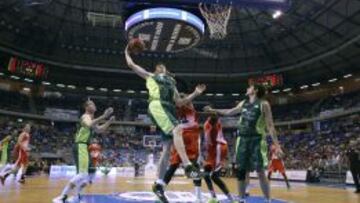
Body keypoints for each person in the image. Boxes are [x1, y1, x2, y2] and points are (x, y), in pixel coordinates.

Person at [125, 45, 206, 201]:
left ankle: (159, 185)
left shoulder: (171, 82)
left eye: (163, 66)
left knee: (167, 149)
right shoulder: (151, 76)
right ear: (156, 70)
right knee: (177, 129)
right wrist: (126, 52)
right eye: (159, 66)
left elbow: (181, 102)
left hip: (169, 108)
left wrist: (195, 93)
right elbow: (131, 65)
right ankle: (188, 165)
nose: (161, 67)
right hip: (157, 105)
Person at [204, 84, 282, 203]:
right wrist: (213, 110)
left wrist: (277, 145)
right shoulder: (243, 103)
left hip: (257, 140)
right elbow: (229, 112)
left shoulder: (263, 104)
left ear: (255, 90)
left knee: (260, 171)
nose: (247, 89)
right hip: (242, 140)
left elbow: (270, 125)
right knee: (241, 171)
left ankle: (268, 200)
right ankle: (241, 199)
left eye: (249, 87)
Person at [53, 100, 114, 202]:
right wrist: (104, 116)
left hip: (85, 147)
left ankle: (77, 195)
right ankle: (62, 196)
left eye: (94, 104)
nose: (94, 105)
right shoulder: (85, 116)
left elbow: (99, 129)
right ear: (86, 107)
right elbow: (89, 124)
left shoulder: (91, 118)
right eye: (92, 104)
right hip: (81, 145)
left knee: (90, 174)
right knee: (83, 174)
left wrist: (109, 122)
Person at [159, 98, 202, 203]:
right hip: (187, 140)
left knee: (174, 166)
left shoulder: (193, 113)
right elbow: (178, 103)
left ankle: (161, 190)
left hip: (188, 140)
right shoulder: (181, 109)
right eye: (190, 102)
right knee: (193, 168)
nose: (192, 104)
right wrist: (193, 95)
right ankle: (198, 197)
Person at [203, 114, 233, 202]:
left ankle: (231, 199)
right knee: (206, 175)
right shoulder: (212, 124)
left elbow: (209, 142)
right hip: (212, 152)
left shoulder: (211, 128)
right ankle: (214, 198)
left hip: (219, 150)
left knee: (213, 176)